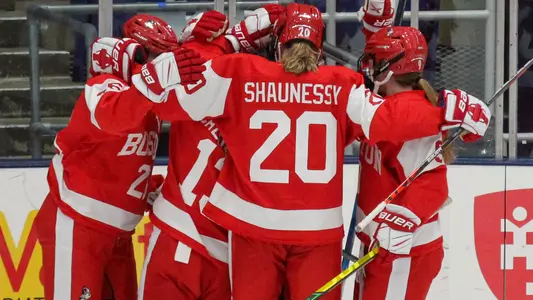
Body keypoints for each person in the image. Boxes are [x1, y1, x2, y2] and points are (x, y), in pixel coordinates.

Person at [127, 3, 491, 299]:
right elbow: (387, 119)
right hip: (317, 233)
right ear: (319, 47)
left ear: (278, 43)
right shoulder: (341, 84)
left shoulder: (239, 72)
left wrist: (225, 43)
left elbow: (169, 101)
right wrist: (444, 108)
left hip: (253, 229)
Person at [34, 15, 206, 300]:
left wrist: (150, 190)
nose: (159, 65)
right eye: (154, 56)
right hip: (77, 225)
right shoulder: (104, 86)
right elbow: (113, 117)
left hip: (118, 234)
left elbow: (117, 158)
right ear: (131, 51)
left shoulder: (147, 104)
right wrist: (152, 82)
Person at [138, 6, 286, 300]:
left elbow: (174, 78)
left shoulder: (208, 79)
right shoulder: (275, 97)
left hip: (179, 231)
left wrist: (224, 40)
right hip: (228, 254)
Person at [352, 1, 491, 298]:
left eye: (375, 60)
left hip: (405, 251)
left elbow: (433, 183)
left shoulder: (411, 116)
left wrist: (404, 221)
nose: (368, 65)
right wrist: (376, 25)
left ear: (390, 69)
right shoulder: (392, 107)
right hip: (382, 244)